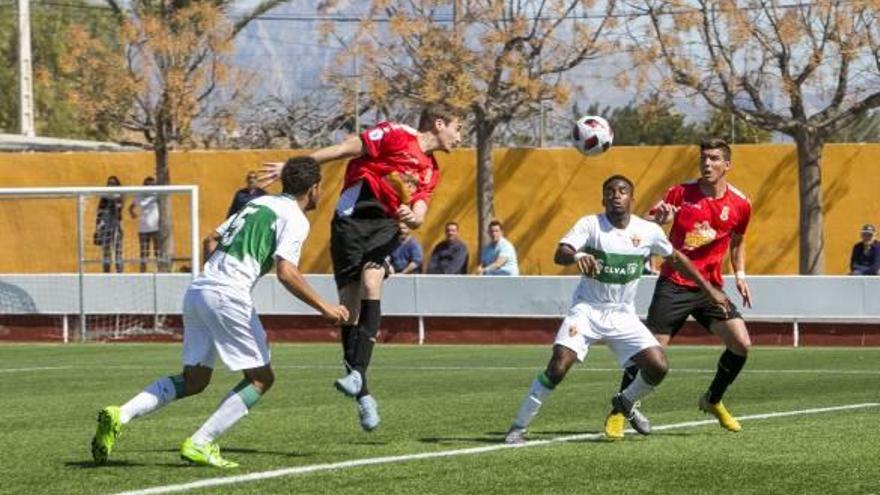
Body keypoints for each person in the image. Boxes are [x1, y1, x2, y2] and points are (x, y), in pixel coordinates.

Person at [90, 157, 349, 468]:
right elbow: (286, 272)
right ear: (315, 187)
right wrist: (326, 307)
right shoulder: (295, 218)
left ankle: (121, 413)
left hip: (199, 291)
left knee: (195, 380)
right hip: (228, 295)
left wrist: (213, 275)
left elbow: (210, 238)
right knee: (261, 379)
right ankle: (201, 442)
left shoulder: (259, 203)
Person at [261, 104, 463, 432]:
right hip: (350, 221)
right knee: (349, 311)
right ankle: (363, 391)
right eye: (457, 128)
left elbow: (421, 209)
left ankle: (357, 374)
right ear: (439, 124)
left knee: (373, 282)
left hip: (385, 224)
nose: (459, 136)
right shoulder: (395, 134)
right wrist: (294, 166)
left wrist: (415, 217)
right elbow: (343, 149)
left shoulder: (431, 169)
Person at [504, 175, 728, 444]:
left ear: (632, 199)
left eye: (622, 191)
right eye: (609, 191)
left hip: (623, 314)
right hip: (587, 310)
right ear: (603, 199)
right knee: (558, 366)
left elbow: (676, 259)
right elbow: (560, 252)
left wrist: (708, 289)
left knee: (658, 366)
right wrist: (577, 255)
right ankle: (518, 427)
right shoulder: (590, 224)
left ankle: (625, 402)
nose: (616, 195)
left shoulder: (648, 231)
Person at [608, 138, 754, 439]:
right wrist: (660, 220)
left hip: (710, 288)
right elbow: (647, 222)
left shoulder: (740, 203)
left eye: (714, 158)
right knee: (651, 353)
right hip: (674, 284)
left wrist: (740, 273)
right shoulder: (680, 193)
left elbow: (738, 242)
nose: (707, 163)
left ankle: (712, 399)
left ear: (727, 165)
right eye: (703, 158)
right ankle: (620, 410)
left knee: (741, 343)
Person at [129, 176, 160, 273]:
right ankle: (143, 272)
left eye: (152, 185)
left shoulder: (158, 195)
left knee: (157, 252)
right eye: (147, 185)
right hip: (143, 229)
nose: (150, 187)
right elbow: (131, 207)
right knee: (143, 253)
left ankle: (160, 271)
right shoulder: (139, 196)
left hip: (156, 228)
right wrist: (133, 214)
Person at [95, 176, 124, 273]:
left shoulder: (119, 196)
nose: (110, 185)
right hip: (105, 227)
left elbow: (119, 211)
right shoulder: (104, 198)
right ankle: (106, 271)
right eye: (109, 183)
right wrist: (97, 227)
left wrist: (114, 200)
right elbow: (99, 212)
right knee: (106, 250)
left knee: (118, 250)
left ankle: (119, 271)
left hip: (116, 226)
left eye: (113, 183)